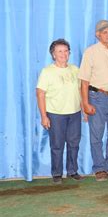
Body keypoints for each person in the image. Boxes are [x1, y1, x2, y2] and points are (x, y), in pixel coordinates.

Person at [78, 20, 108, 181]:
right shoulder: (90, 52)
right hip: (97, 97)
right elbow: (84, 81)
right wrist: (85, 103)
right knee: (97, 135)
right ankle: (99, 168)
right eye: (105, 32)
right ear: (97, 35)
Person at [36, 39, 83, 184]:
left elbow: (80, 90)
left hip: (75, 113)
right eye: (59, 51)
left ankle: (72, 171)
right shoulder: (47, 71)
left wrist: (84, 109)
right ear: (53, 54)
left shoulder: (75, 69)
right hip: (56, 114)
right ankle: (56, 173)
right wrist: (44, 116)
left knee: (74, 143)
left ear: (69, 53)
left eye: (66, 51)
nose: (63, 54)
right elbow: (40, 93)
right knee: (57, 145)